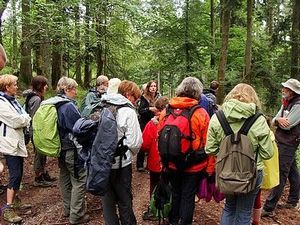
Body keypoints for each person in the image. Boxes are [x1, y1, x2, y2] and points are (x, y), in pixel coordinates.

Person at [205, 83, 274, 225]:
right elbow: (268, 154)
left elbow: (210, 149)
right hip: (252, 173)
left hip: (226, 172)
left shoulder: (217, 117)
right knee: (244, 212)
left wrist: (226, 154)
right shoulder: (259, 120)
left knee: (229, 207)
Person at [159, 77, 214, 225]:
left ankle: (173, 221)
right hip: (194, 165)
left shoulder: (166, 111)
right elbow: (208, 144)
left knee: (175, 193)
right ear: (198, 92)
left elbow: (160, 137)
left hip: (171, 163)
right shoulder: (201, 113)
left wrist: (162, 162)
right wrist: (210, 170)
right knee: (188, 195)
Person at [100, 80, 142, 225]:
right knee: (124, 199)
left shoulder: (102, 105)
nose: (136, 101)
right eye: (135, 98)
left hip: (101, 163)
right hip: (121, 164)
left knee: (107, 202)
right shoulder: (128, 111)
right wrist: (130, 154)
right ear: (128, 94)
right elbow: (135, 142)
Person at [262, 78, 300, 217]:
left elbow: (288, 125)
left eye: (286, 88)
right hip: (283, 140)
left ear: (292, 91)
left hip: (289, 143)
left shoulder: (298, 105)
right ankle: (293, 200)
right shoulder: (286, 102)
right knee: (292, 170)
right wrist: (278, 120)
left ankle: (268, 208)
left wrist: (278, 120)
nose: (283, 90)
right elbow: (274, 121)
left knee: (281, 173)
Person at [55, 77, 89, 224]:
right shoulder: (68, 106)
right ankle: (76, 215)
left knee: (65, 178)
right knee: (79, 179)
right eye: (74, 89)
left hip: (60, 148)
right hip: (72, 149)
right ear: (66, 89)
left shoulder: (55, 103)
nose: (76, 92)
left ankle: (68, 209)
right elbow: (78, 129)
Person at [0, 74, 31, 223]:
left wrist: (24, 118)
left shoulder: (13, 102)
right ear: (7, 87)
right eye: (15, 84)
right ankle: (8, 208)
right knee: (15, 174)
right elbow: (17, 120)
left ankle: (15, 199)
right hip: (9, 143)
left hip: (17, 142)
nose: (17, 87)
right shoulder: (1, 103)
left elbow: (23, 115)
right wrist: (25, 119)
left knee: (19, 173)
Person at [23, 76, 56, 187]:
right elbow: (35, 116)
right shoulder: (36, 99)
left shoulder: (36, 97)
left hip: (38, 129)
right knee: (40, 153)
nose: (47, 86)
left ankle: (42, 173)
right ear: (40, 85)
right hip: (36, 130)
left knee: (42, 152)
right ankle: (38, 177)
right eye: (45, 84)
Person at [141, 96, 169, 221]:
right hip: (170, 162)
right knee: (169, 186)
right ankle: (168, 211)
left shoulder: (152, 123)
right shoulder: (174, 120)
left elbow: (144, 144)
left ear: (156, 108)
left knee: (154, 185)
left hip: (155, 161)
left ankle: (154, 210)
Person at [137, 80, 160, 172]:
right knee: (144, 143)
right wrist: (150, 108)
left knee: (154, 144)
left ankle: (150, 164)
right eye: (151, 86)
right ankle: (139, 164)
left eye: (155, 86)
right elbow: (141, 110)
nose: (153, 88)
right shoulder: (144, 98)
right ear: (148, 88)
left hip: (156, 122)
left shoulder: (159, 96)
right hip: (145, 122)